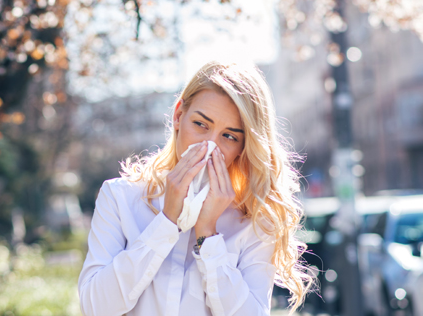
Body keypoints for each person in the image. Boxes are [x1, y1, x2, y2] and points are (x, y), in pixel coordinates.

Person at [78, 61, 315, 315]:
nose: (209, 146)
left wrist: (207, 235)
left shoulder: (254, 222)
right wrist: (166, 221)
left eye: (229, 136)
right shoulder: (120, 197)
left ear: (242, 148)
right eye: (201, 124)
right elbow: (95, 307)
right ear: (179, 116)